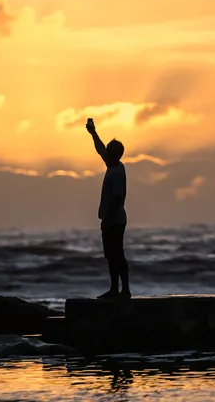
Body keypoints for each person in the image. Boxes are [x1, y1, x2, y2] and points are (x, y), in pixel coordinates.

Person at [86, 118, 131, 299]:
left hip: (115, 220)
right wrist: (93, 133)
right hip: (112, 219)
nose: (106, 153)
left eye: (109, 152)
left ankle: (124, 289)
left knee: (117, 254)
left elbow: (117, 197)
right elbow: (100, 148)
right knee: (111, 255)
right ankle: (114, 289)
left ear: (115, 154)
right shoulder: (112, 165)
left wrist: (107, 219)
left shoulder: (117, 171)